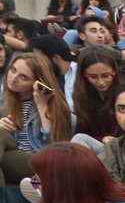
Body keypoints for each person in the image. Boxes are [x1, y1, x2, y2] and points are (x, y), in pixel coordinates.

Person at [2, 53, 73, 188]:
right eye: (13, 70)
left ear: (37, 81)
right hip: (13, 163)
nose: (13, 78)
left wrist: (42, 105)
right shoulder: (5, 103)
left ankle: (39, 185)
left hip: (42, 164)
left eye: (24, 77)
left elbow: (54, 145)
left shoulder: (55, 106)